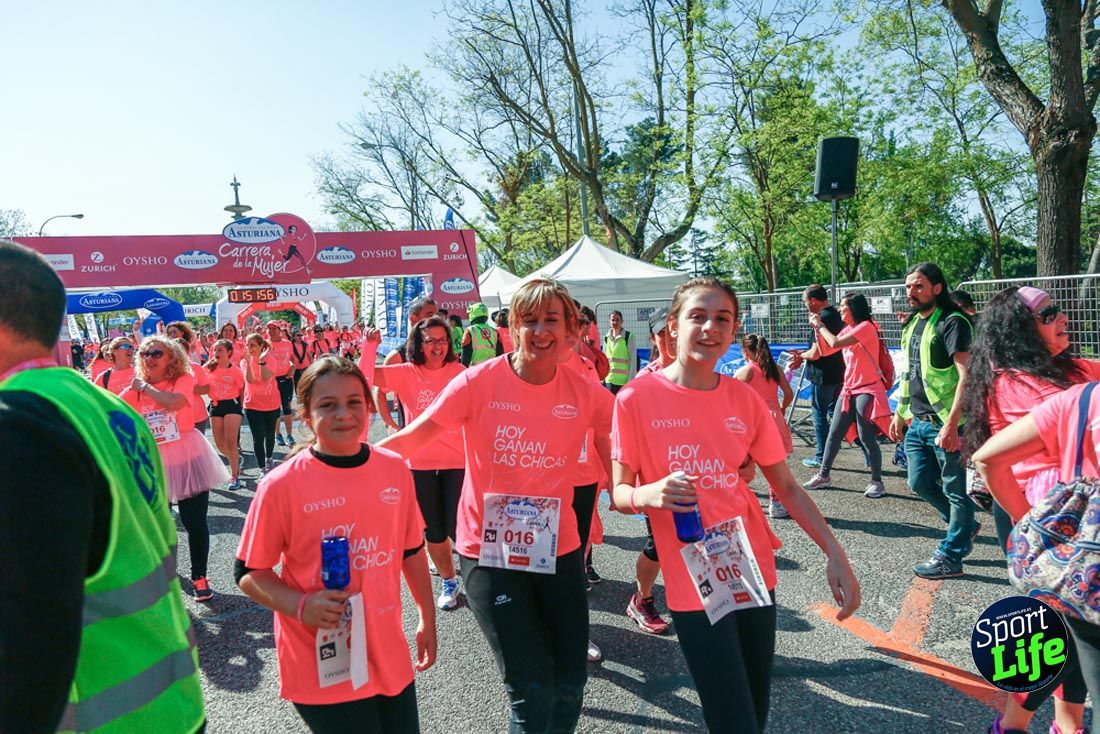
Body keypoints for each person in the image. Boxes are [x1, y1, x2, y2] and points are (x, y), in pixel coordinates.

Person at [610, 276, 860, 733]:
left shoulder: (743, 399)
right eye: (697, 317)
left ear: (734, 327)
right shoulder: (634, 400)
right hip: (691, 575)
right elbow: (619, 492)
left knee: (754, 709)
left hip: (749, 567)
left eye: (722, 318)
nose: (710, 328)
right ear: (673, 325)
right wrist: (648, 494)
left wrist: (834, 553)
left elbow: (787, 486)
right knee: (732, 717)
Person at [379, 278, 614, 733]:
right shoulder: (478, 382)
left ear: (570, 329)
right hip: (489, 551)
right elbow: (413, 437)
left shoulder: (584, 391)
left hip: (558, 547)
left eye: (551, 320)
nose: (540, 331)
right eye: (529, 320)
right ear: (512, 327)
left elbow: (628, 435)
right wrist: (343, 464)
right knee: (531, 686)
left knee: (570, 681)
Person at [0, 240, 206, 733]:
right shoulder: (107, 407)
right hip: (171, 701)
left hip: (96, 715)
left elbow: (27, 624)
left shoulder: (18, 422)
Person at [236, 356, 435, 734]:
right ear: (306, 415)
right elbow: (248, 572)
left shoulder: (394, 468)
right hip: (321, 656)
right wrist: (301, 605)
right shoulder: (281, 486)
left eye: (354, 401)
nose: (343, 413)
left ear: (369, 406)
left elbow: (411, 550)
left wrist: (427, 616)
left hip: (386, 650)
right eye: (327, 405)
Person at [959, 286, 1096, 734]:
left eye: (1059, 309)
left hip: (1076, 519)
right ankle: (1018, 724)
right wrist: (1028, 525)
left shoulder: (1068, 369)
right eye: (1048, 313)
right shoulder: (1012, 382)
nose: (1062, 317)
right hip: (1041, 515)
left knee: (1078, 628)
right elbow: (1072, 418)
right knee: (1061, 632)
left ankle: (1060, 724)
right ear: (1020, 329)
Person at [972, 383, 1100, 734]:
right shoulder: (1073, 384)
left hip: (1072, 549)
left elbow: (987, 458)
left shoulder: (1082, 394)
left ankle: (1040, 726)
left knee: (1065, 642)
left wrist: (1031, 530)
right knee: (1059, 641)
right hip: (1064, 537)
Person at [359, 316, 467, 612]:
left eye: (442, 340)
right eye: (430, 341)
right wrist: (369, 347)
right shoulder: (406, 372)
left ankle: (476, 579)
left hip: (457, 462)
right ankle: (449, 581)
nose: (437, 346)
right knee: (434, 531)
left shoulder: (459, 372)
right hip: (418, 464)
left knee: (459, 527)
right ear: (418, 344)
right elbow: (363, 378)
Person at [121, 335, 228, 602]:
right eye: (144, 353)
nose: (149, 358)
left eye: (156, 353)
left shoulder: (183, 378)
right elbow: (114, 410)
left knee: (194, 522)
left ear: (172, 357)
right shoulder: (135, 388)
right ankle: (165, 575)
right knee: (158, 525)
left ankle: (200, 576)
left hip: (188, 455)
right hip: (154, 461)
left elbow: (175, 403)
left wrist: (144, 387)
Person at [890, 262, 978, 580]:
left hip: (948, 423)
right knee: (919, 482)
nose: (911, 292)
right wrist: (900, 413)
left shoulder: (953, 322)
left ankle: (952, 556)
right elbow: (909, 373)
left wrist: (952, 424)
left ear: (937, 288)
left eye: (918, 286)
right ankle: (964, 526)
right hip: (918, 422)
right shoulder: (913, 324)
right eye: (908, 287)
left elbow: (967, 376)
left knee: (957, 490)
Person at [803, 293, 893, 499]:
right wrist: (817, 330)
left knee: (866, 436)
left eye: (843, 306)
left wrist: (820, 325)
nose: (839, 309)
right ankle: (823, 475)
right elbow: (825, 351)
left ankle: (877, 482)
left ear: (853, 308)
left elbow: (834, 343)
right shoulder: (848, 328)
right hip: (849, 388)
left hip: (868, 388)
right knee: (834, 433)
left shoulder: (866, 327)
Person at [624, 307, 675, 636]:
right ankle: (641, 600)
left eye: (675, 330)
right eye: (663, 333)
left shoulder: (700, 375)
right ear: (654, 338)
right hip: (658, 479)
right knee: (658, 545)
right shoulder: (645, 381)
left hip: (699, 474)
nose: (671, 338)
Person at [736, 333, 795, 517]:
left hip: (753, 421)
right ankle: (776, 505)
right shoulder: (775, 369)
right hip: (774, 419)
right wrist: (781, 408)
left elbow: (730, 396)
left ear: (746, 352)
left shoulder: (746, 371)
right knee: (774, 465)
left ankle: (736, 499)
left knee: (742, 463)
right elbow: (789, 394)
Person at [788, 285, 846, 469]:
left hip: (823, 375)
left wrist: (801, 356)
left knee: (819, 414)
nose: (805, 305)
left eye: (805, 301)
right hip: (838, 372)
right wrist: (803, 354)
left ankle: (822, 456)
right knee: (835, 414)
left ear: (813, 300)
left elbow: (816, 354)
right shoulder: (835, 314)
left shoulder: (821, 318)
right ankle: (861, 449)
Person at [377, 297, 439, 430]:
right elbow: (380, 393)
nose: (435, 319)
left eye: (437, 315)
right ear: (413, 318)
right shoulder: (397, 357)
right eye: (430, 315)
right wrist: (390, 425)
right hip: (411, 433)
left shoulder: (442, 351)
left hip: (443, 433)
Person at [206, 339, 246, 490]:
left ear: (229, 352)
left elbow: (241, 389)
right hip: (215, 405)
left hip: (232, 404)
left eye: (220, 350)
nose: (216, 353)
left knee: (231, 442)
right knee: (220, 444)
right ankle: (235, 459)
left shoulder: (235, 370)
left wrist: (240, 407)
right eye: (215, 350)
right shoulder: (208, 368)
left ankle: (234, 476)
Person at [244, 333, 282, 474]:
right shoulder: (244, 361)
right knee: (258, 437)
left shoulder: (270, 359)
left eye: (253, 345)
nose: (249, 348)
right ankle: (262, 468)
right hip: (252, 404)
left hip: (271, 403)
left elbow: (265, 377)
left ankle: (269, 457)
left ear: (261, 346)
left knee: (269, 434)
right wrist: (249, 363)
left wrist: (261, 361)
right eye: (247, 345)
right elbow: (251, 380)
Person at [167, 321, 212, 436]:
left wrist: (184, 389)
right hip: (174, 418)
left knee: (197, 446)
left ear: (187, 351)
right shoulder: (165, 370)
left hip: (197, 415)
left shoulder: (195, 366)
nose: (178, 353)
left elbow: (207, 388)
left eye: (181, 350)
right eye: (175, 350)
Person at [266, 321, 297, 447]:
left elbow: (291, 358)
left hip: (286, 378)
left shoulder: (287, 343)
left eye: (274, 328)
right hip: (271, 380)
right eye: (269, 329)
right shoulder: (265, 344)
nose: (271, 331)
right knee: (274, 408)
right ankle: (277, 434)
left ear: (280, 330)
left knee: (287, 407)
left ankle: (289, 435)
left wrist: (293, 366)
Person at [460, 301, 503, 367]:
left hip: (476, 369)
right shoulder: (494, 331)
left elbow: (465, 356)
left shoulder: (470, 331)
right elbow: (500, 353)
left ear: (473, 314)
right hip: (492, 368)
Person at [603, 310, 636, 394]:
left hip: (624, 381)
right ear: (609, 322)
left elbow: (633, 360)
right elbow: (604, 360)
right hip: (609, 380)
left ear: (622, 322)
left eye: (617, 320)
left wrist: (631, 381)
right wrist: (603, 379)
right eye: (613, 320)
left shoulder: (629, 336)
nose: (615, 322)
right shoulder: (606, 338)